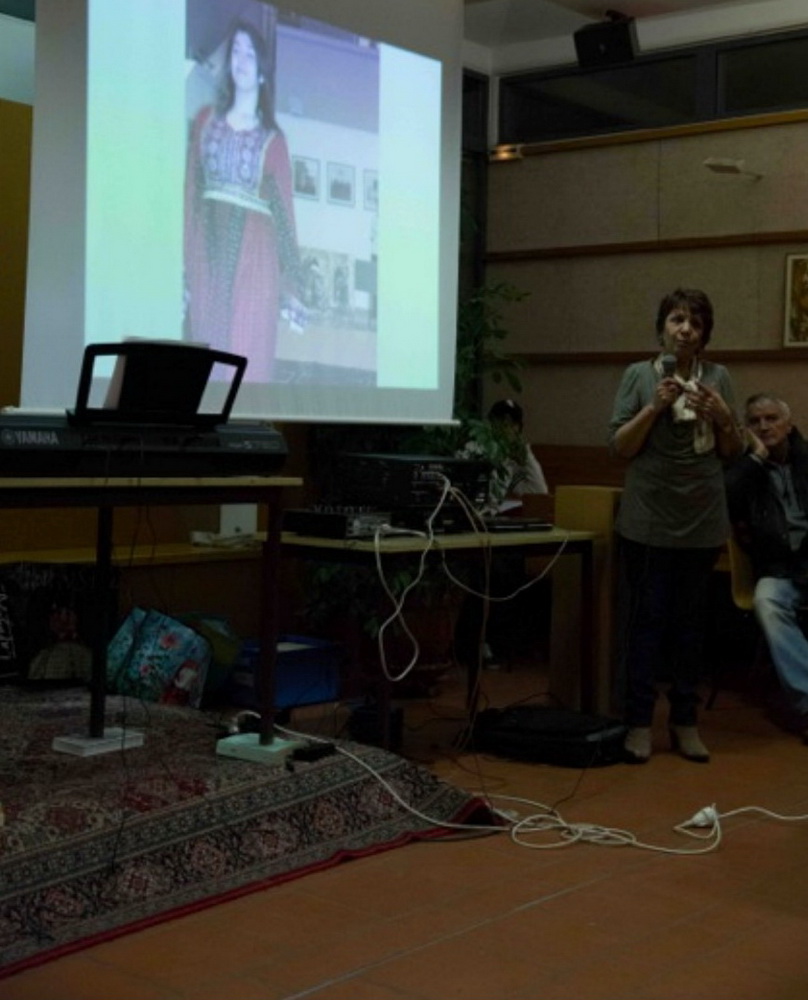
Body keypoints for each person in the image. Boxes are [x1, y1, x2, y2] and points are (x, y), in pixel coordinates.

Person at [609, 288, 743, 763]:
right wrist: (655, 407)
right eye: (677, 319)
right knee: (646, 624)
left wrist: (724, 418)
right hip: (648, 519)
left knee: (691, 626)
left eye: (695, 323)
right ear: (662, 328)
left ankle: (685, 721)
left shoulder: (718, 378)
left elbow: (732, 452)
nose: (685, 330)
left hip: (702, 519)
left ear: (705, 336)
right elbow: (621, 446)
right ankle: (638, 723)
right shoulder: (638, 375)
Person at [184, 20, 299, 381]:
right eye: (236, 51)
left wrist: (291, 287)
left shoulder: (273, 140)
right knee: (205, 356)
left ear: (262, 71)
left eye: (250, 53)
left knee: (245, 356)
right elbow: (191, 194)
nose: (241, 60)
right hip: (208, 253)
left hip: (255, 261)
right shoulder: (206, 122)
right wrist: (183, 267)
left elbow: (284, 216)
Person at [725, 394, 808, 742]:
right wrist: (756, 458)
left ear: (788, 425)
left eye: (772, 418)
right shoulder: (745, 468)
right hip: (777, 569)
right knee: (766, 601)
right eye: (755, 421)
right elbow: (722, 499)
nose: (764, 426)